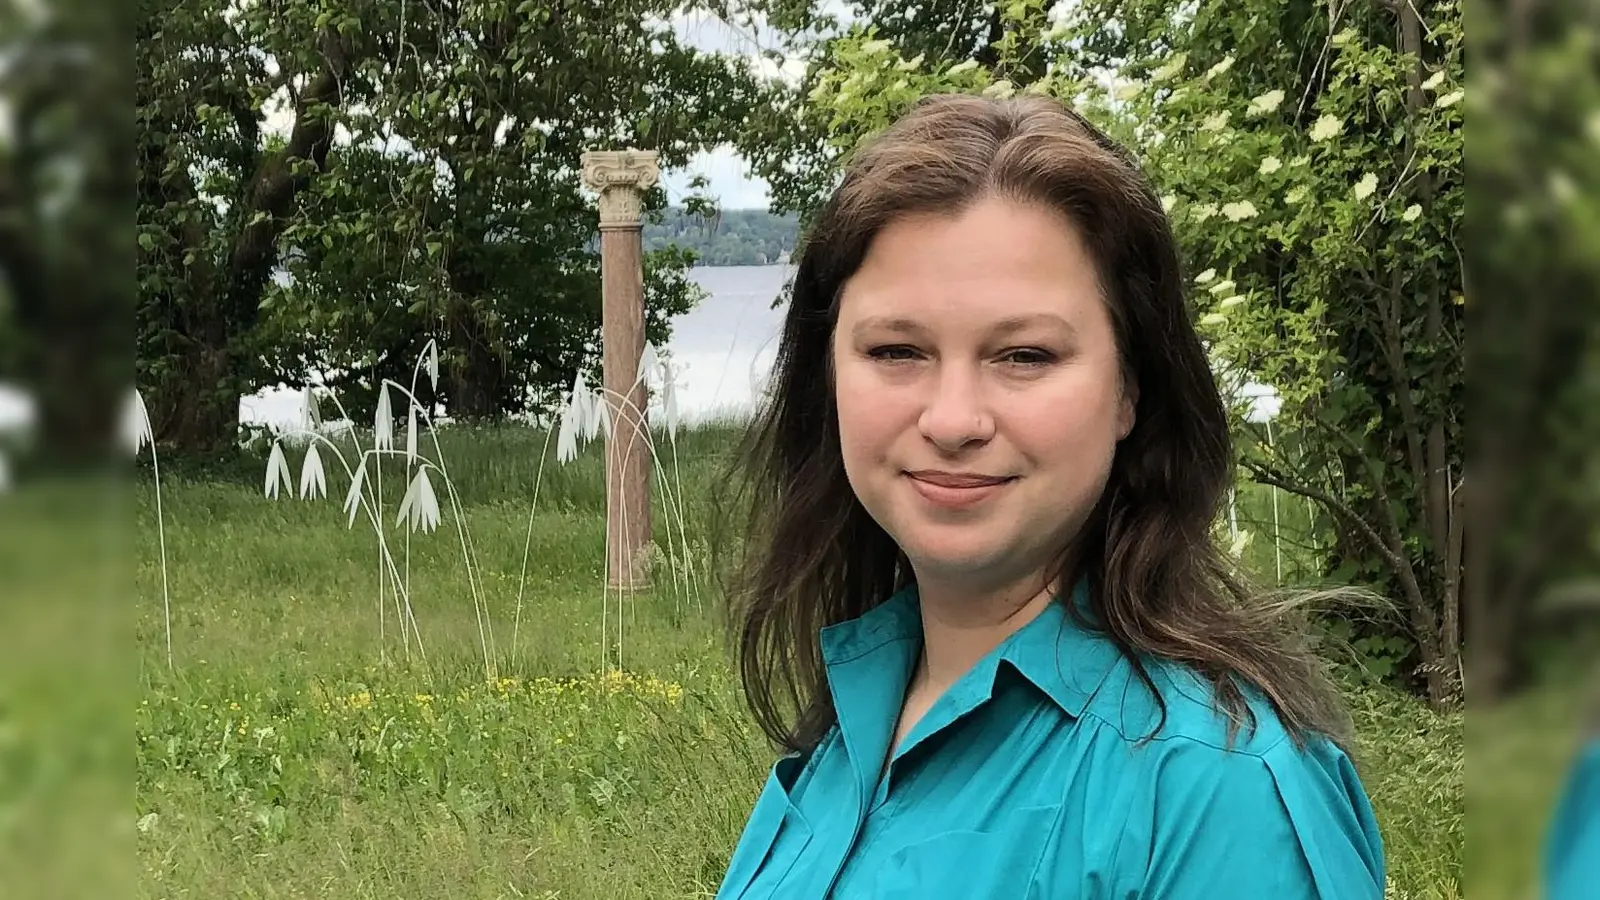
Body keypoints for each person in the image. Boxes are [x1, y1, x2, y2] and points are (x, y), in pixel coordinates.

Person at [712, 92, 1386, 899]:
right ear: (828, 375)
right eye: (897, 350)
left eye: (1025, 355)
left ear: (1130, 388)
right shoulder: (865, 714)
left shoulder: (1218, 792)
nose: (953, 419)